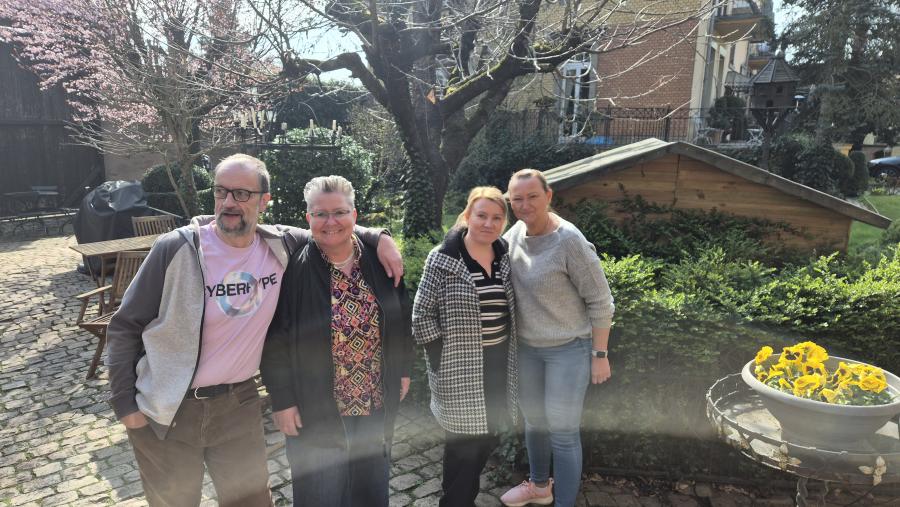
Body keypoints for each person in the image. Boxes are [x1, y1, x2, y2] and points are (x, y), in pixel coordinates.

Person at [105, 155, 402, 507]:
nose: (229, 202)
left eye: (242, 194)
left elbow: (333, 228)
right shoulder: (176, 248)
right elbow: (125, 325)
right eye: (221, 192)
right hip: (168, 408)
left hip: (238, 406)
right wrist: (124, 403)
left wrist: (379, 236)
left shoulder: (279, 245)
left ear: (264, 201)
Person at [260, 175, 414, 507]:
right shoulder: (293, 270)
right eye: (320, 214)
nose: (331, 222)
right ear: (308, 218)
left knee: (369, 494)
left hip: (374, 404)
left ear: (354, 215)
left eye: (340, 212)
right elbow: (275, 341)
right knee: (321, 495)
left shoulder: (381, 262)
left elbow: (401, 319)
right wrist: (283, 400)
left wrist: (402, 369)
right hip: (317, 410)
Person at [499, 169, 615, 507]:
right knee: (535, 423)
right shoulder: (514, 234)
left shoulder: (569, 240)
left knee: (563, 433)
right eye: (517, 199)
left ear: (548, 196)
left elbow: (601, 301)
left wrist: (600, 354)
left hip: (568, 350)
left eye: (532, 196)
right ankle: (539, 486)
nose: (525, 205)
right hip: (527, 349)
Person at [413, 187, 519, 507]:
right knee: (465, 444)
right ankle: (457, 501)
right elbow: (421, 315)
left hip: (499, 364)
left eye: (497, 217)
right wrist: (440, 356)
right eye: (481, 215)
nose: (488, 223)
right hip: (459, 366)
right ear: (468, 216)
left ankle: (456, 497)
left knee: (488, 436)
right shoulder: (443, 258)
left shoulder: (504, 255)